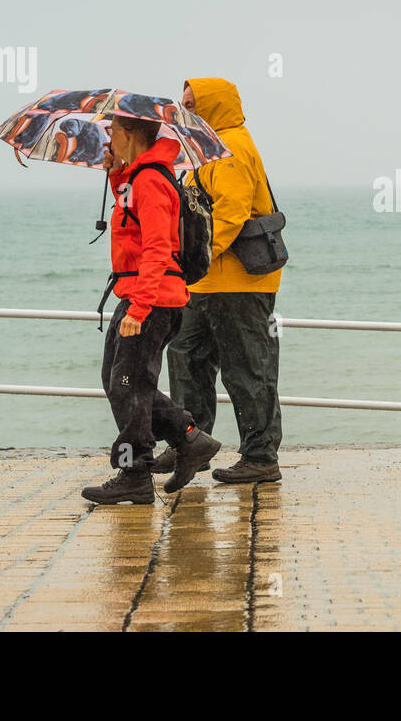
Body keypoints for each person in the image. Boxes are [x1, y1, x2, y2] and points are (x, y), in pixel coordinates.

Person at [81, 113, 219, 504]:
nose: (108, 139)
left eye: (112, 132)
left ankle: (135, 471)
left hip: (151, 298)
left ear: (127, 134)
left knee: (128, 386)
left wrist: (139, 309)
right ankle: (190, 440)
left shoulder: (153, 181)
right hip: (140, 293)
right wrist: (114, 175)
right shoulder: (138, 179)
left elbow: (158, 247)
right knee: (121, 381)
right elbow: (131, 220)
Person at [153, 77, 284, 484]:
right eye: (183, 102)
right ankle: (190, 446)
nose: (184, 109)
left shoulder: (228, 148)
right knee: (187, 360)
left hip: (238, 283)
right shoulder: (204, 148)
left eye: (192, 103)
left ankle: (261, 457)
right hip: (206, 283)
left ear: (215, 105)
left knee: (247, 370)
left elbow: (229, 214)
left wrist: (193, 260)